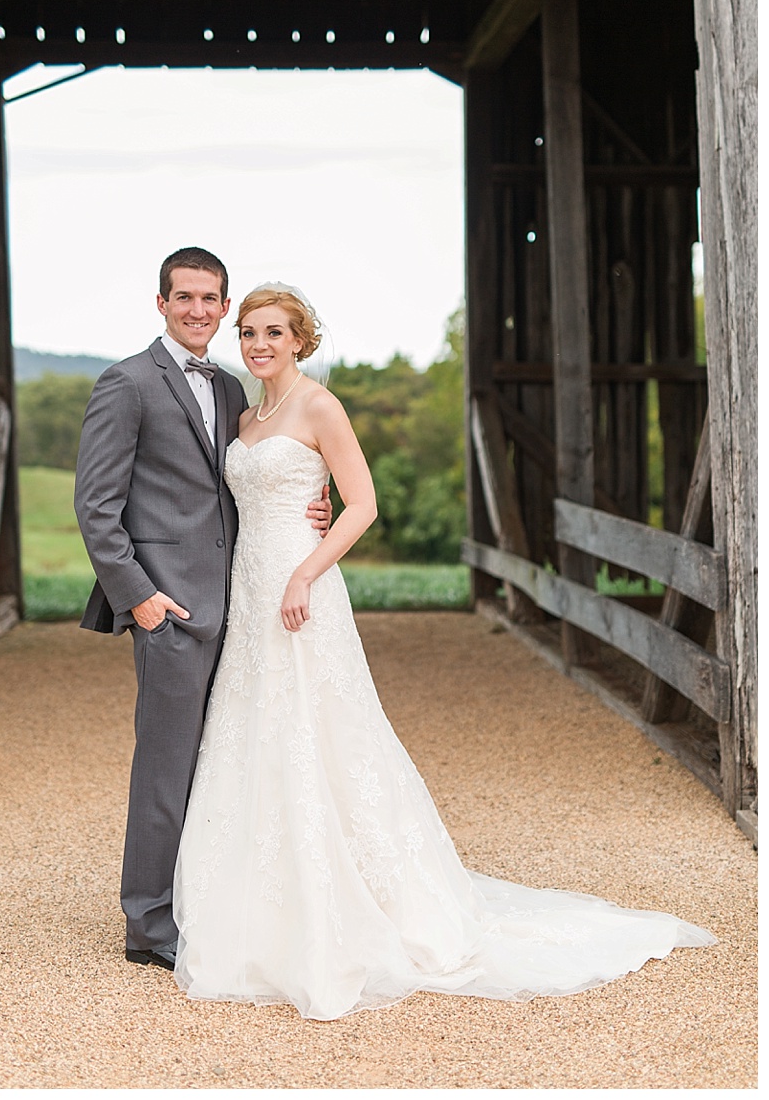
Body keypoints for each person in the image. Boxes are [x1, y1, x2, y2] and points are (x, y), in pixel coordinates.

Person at [172, 283, 716, 1021]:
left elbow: (360, 503)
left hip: (301, 589)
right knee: (257, 730)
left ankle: (359, 900)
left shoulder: (318, 406)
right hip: (249, 587)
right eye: (249, 332)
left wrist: (305, 569)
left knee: (323, 728)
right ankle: (263, 899)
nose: (258, 344)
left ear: (301, 340)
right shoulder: (245, 415)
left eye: (273, 332)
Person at [73, 248, 329, 973]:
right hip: (171, 608)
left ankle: (207, 898)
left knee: (227, 759)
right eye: (182, 296)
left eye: (209, 299)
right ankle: (149, 924)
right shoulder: (125, 383)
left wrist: (315, 499)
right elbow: (96, 510)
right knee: (165, 763)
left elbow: (249, 478)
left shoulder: (227, 389)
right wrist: (140, 600)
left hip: (241, 604)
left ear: (222, 308)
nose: (196, 310)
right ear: (160, 302)